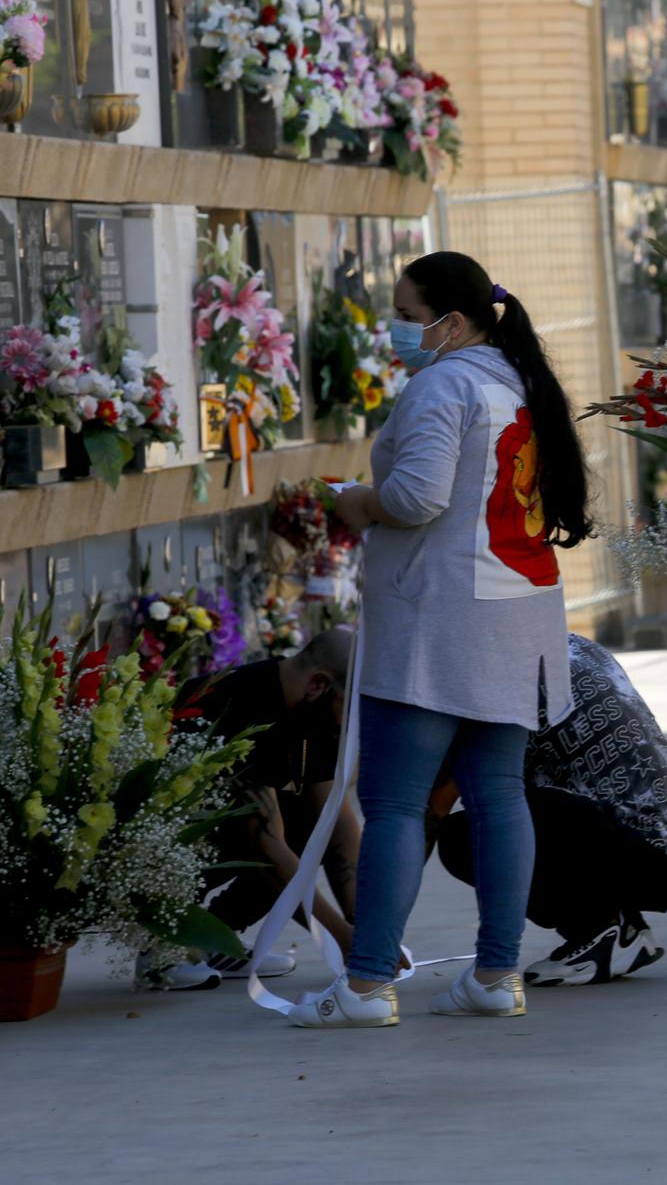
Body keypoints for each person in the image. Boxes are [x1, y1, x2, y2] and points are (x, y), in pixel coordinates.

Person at [294, 252, 592, 1028]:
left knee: (393, 803)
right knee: (499, 798)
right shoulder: (517, 380)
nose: (397, 328)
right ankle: (497, 973)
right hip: (513, 614)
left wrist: (358, 501)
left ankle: (364, 987)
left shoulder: (443, 383)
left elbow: (417, 496)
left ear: (450, 322)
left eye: (406, 311)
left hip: (438, 621)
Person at [429, 636, 667, 987]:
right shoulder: (569, 644)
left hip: (646, 859)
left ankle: (598, 931)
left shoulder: (495, 675)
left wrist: (376, 936)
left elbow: (437, 802)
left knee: (466, 835)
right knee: (507, 809)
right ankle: (621, 927)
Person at [145, 629, 362, 992]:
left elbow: (335, 822)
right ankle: (160, 946)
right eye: (349, 707)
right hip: (146, 840)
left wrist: (365, 927)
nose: (347, 723)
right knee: (248, 827)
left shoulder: (315, 711)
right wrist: (342, 937)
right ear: (318, 684)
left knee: (311, 823)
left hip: (218, 828)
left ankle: (216, 936)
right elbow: (265, 845)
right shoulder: (239, 704)